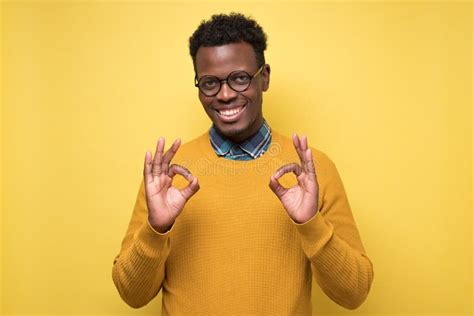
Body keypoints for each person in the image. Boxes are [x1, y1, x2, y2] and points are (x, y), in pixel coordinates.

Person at [112, 12, 374, 315]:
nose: (224, 95)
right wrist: (156, 228)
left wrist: (310, 223)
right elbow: (132, 295)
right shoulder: (169, 175)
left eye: (239, 78)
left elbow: (354, 293)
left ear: (264, 77)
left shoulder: (312, 171)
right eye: (210, 82)